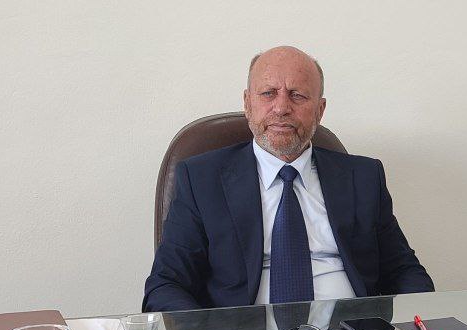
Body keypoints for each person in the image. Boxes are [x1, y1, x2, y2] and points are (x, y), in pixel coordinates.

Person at [144, 46, 434, 311]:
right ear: (247, 103)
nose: (282, 107)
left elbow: (405, 272)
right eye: (268, 93)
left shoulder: (363, 178)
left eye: (297, 95)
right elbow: (166, 285)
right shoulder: (201, 180)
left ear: (320, 110)